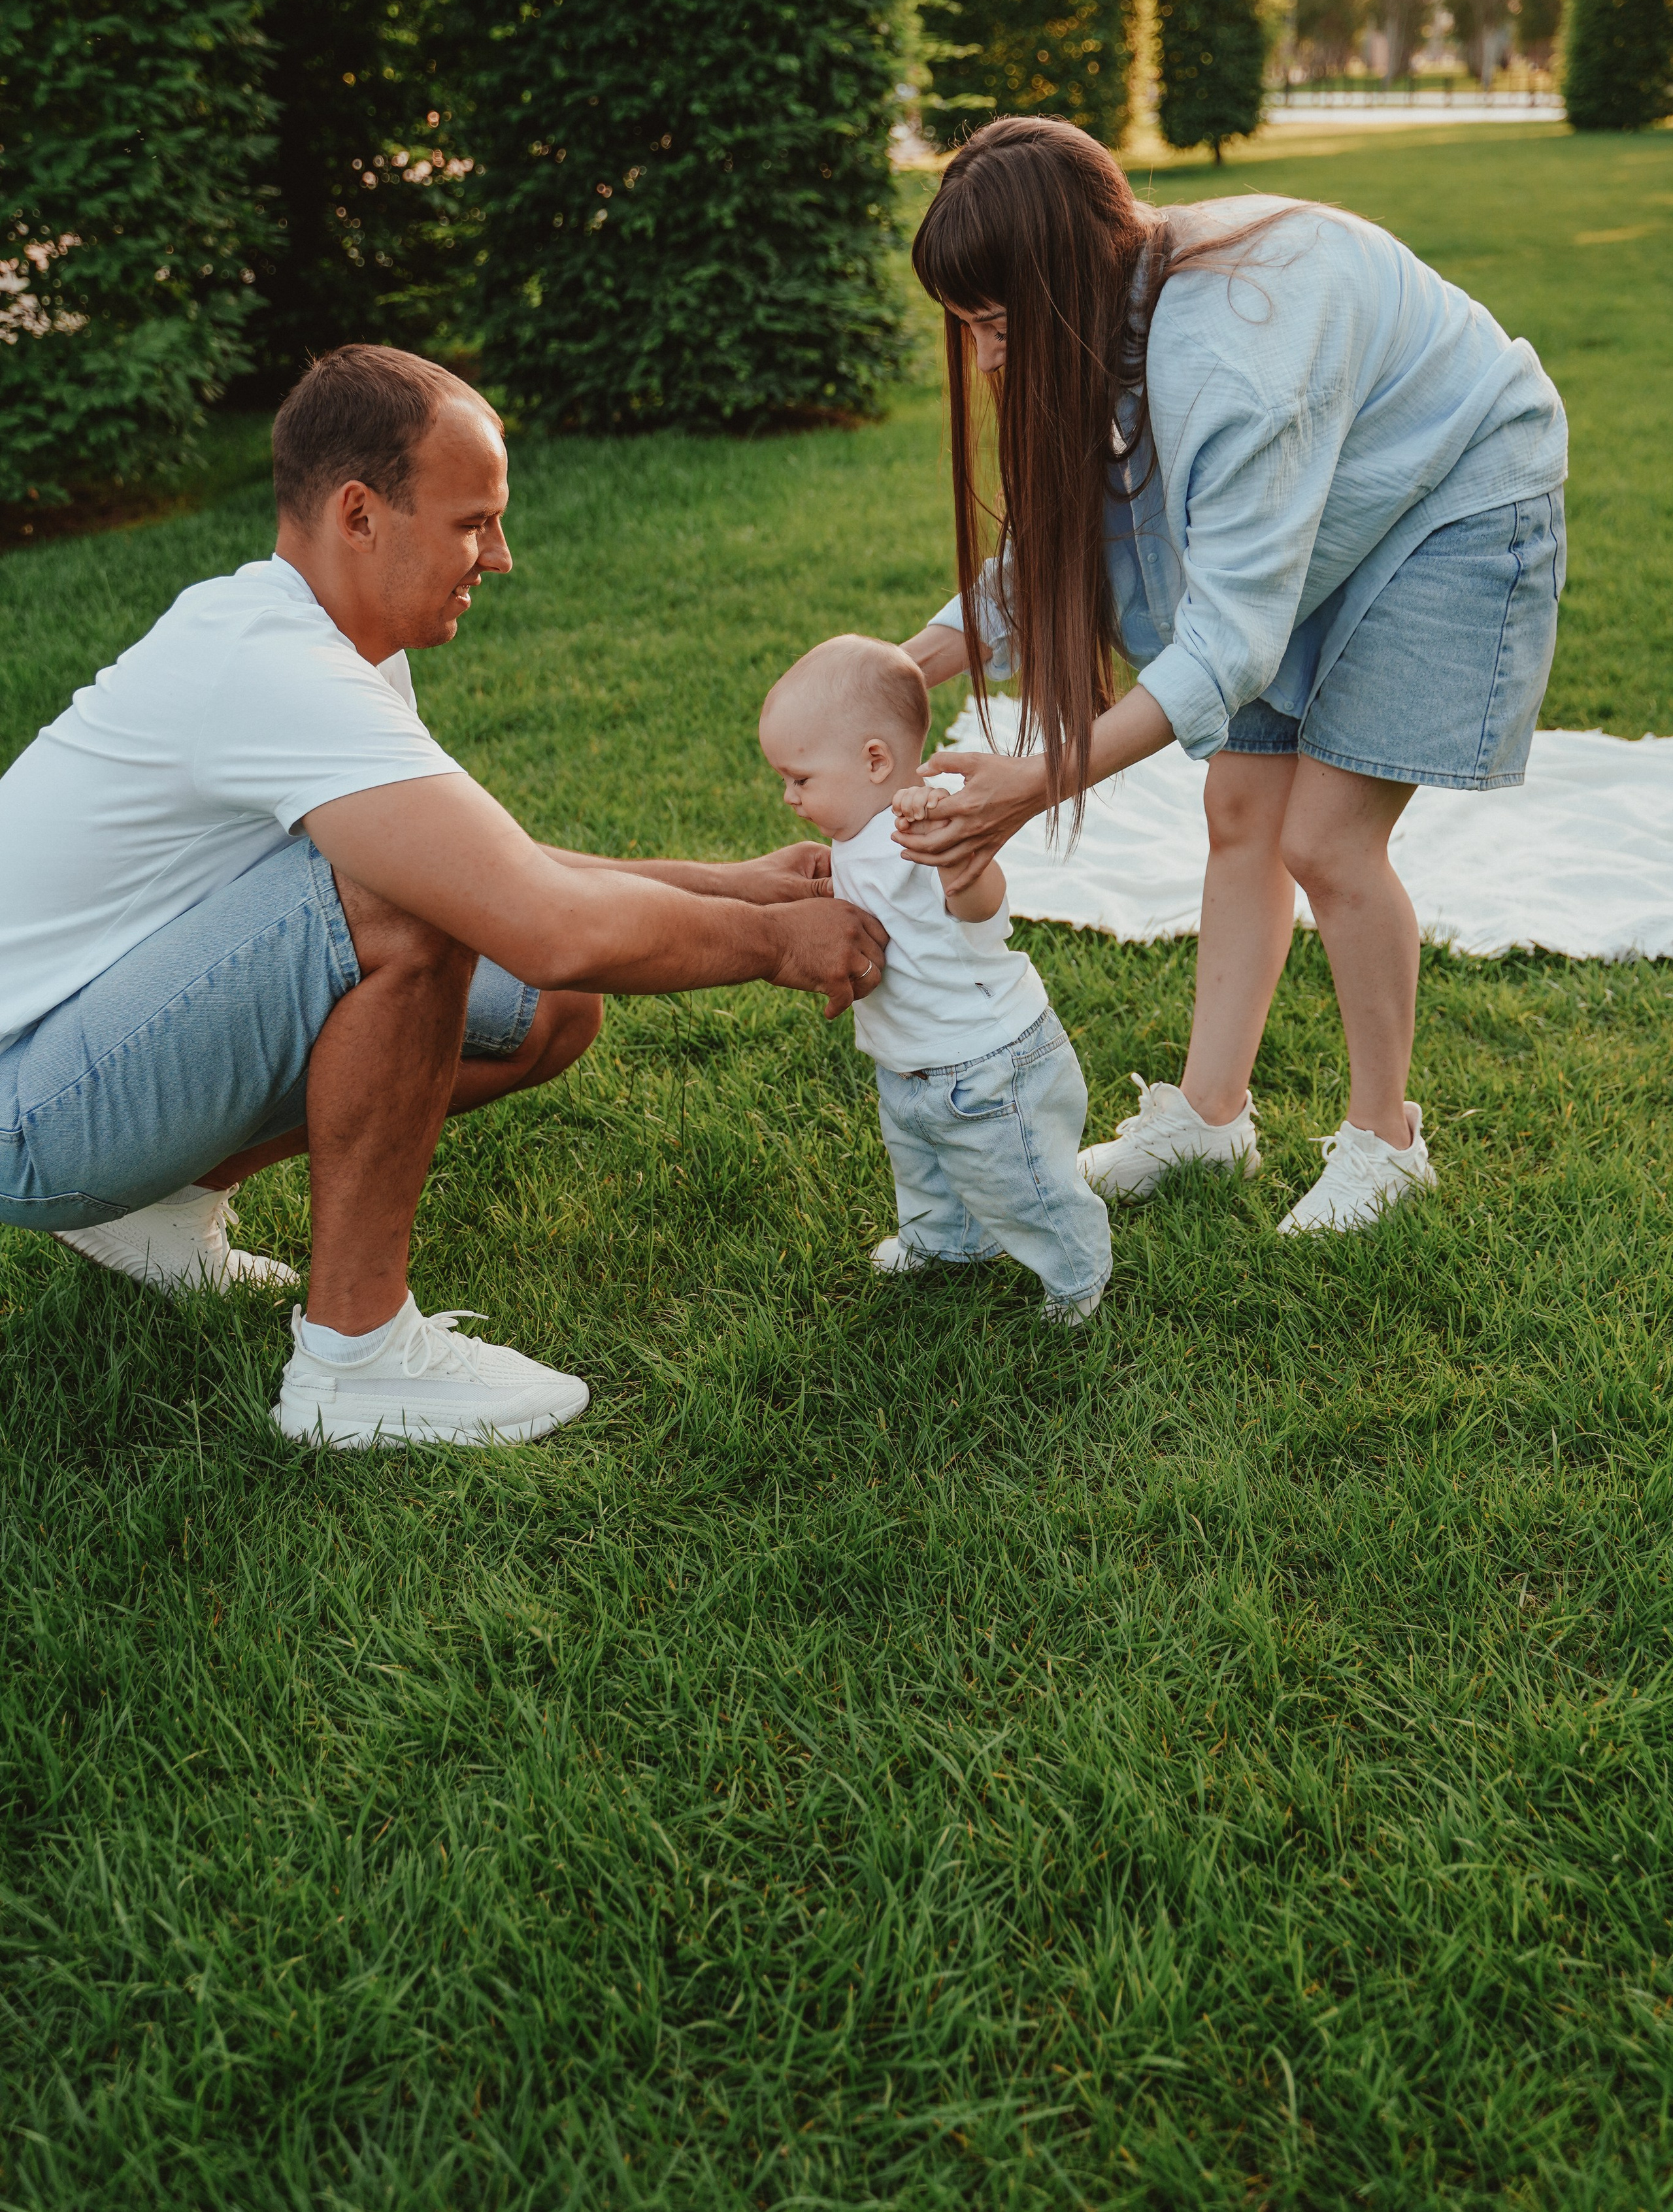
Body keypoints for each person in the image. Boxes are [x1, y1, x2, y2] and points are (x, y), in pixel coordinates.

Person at [0, 345, 887, 1447]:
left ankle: (165, 1207)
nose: (500, 557)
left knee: (546, 1011)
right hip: (23, 1104)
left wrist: (735, 886)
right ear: (360, 515)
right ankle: (355, 1359)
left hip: (77, 1053)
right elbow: (533, 918)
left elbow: (487, 868)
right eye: (474, 523)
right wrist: (776, 945)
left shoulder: (324, 643)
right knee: (405, 914)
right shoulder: (276, 665)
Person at [895, 117, 1568, 1233]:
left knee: (1327, 839)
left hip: (1457, 491)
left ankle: (1386, 1142)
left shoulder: (1234, 363)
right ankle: (1210, 1119)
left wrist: (1041, 776)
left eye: (999, 325)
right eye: (967, 329)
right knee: (1240, 804)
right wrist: (905, 668)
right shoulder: (1121, 301)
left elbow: (1230, 640)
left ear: (1062, 286)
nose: (985, 362)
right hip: (1342, 489)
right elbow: (1066, 540)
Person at [759, 635, 1110, 1321]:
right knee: (923, 1165)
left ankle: (1074, 1272)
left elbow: (983, 913)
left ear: (874, 761)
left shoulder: (930, 824)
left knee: (1018, 1180)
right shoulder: (852, 832)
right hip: (913, 1059)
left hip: (987, 1061)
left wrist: (963, 869)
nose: (788, 797)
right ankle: (945, 1241)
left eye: (800, 778)